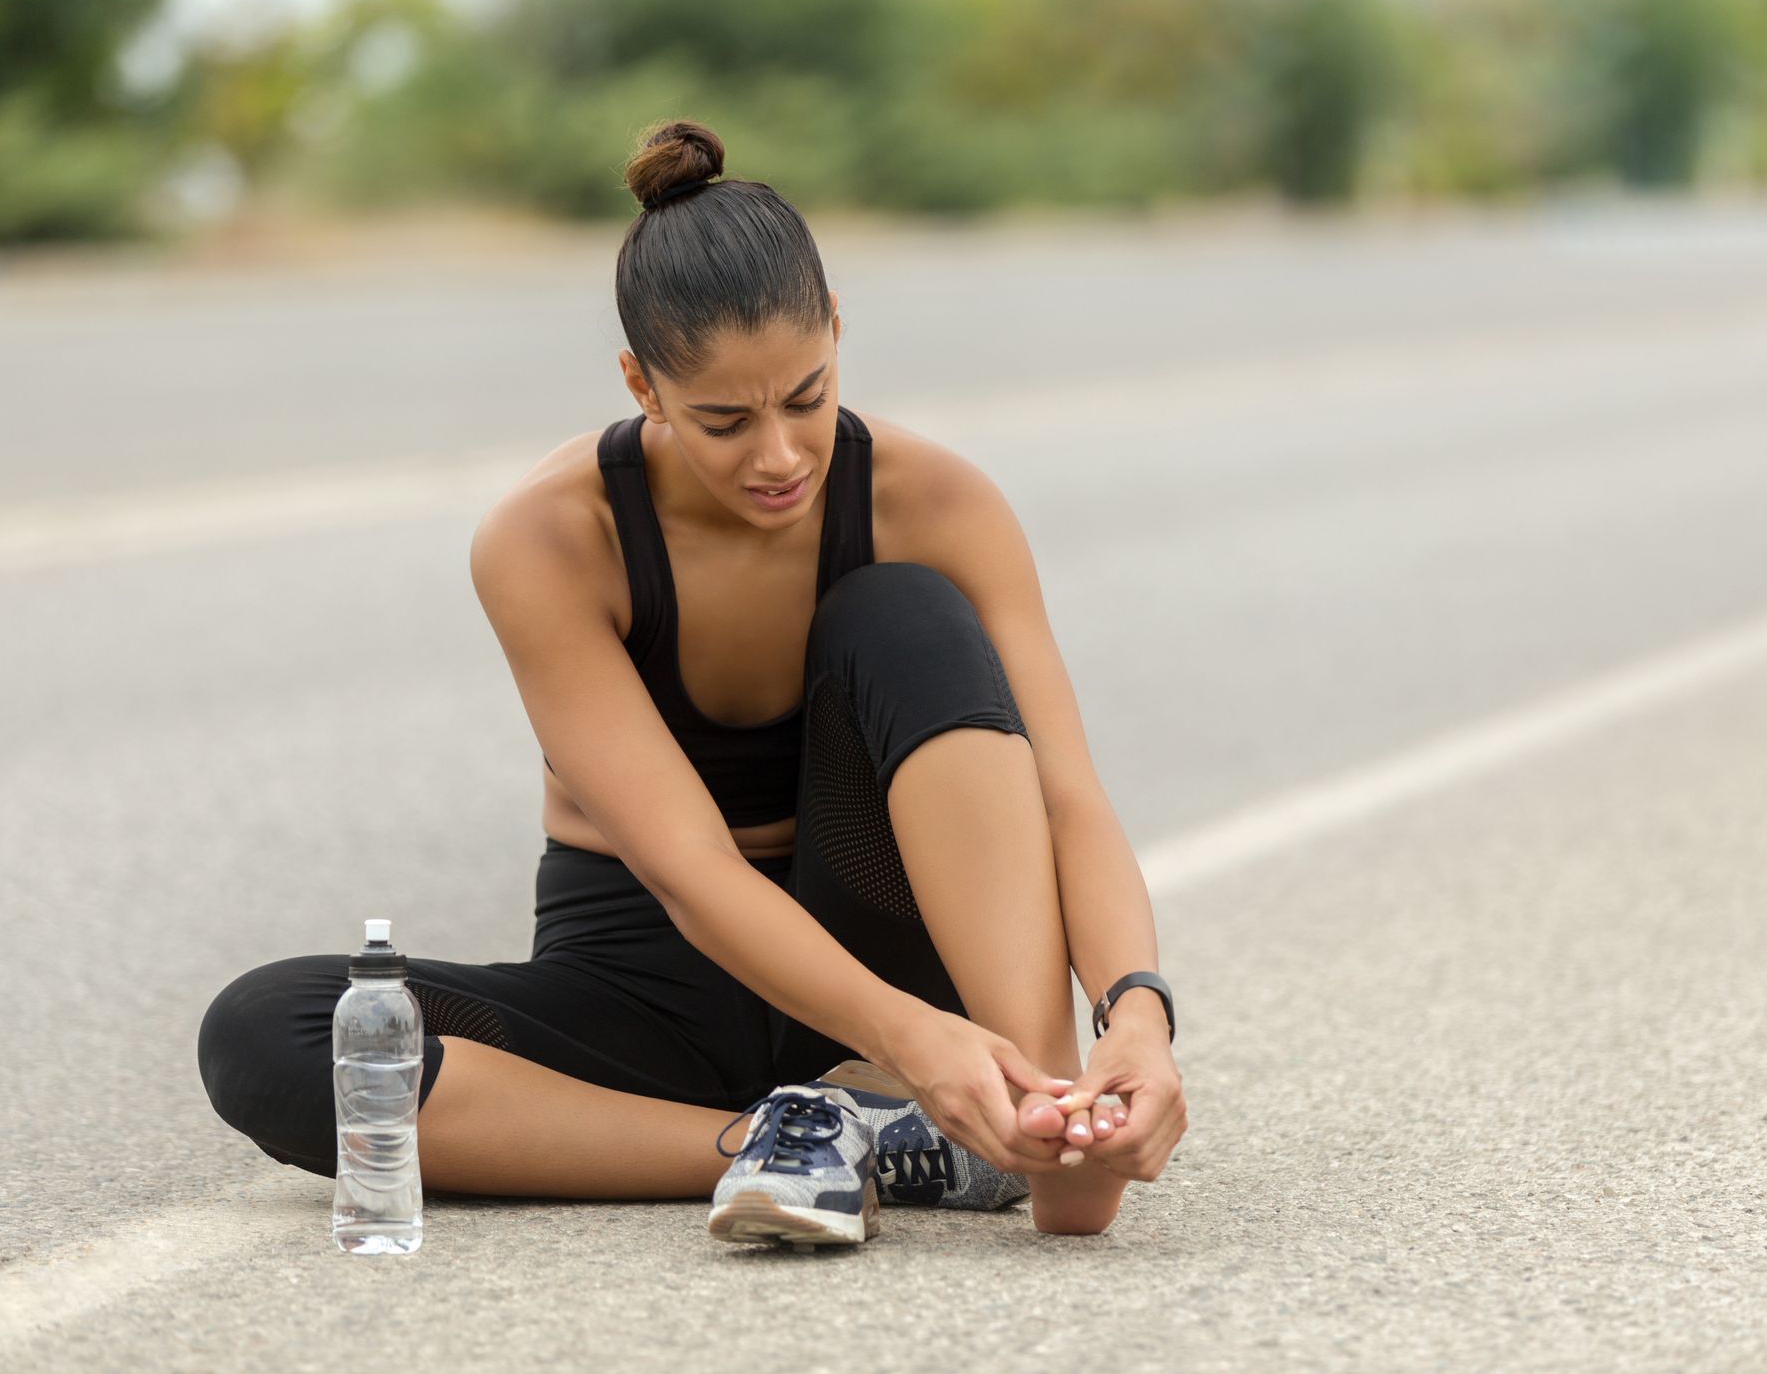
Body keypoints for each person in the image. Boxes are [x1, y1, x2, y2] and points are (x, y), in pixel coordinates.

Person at [197, 119, 1186, 1245]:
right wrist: (912, 1047)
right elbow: (691, 871)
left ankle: (1039, 1116)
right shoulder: (550, 539)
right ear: (642, 385)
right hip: (656, 978)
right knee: (269, 1032)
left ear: (837, 339)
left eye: (807, 396)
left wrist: (1137, 1018)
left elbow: (1066, 799)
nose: (778, 456)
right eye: (725, 419)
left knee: (904, 612)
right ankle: (784, 1137)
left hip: (884, 936)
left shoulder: (938, 503)